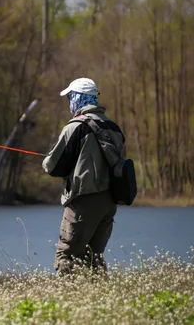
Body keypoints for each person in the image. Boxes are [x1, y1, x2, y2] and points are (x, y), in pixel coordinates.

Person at [42, 77, 125, 275]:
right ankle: (101, 300)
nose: (69, 102)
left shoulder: (75, 127)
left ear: (79, 98)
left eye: (71, 97)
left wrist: (47, 160)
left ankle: (68, 302)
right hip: (109, 203)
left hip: (83, 202)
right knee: (93, 257)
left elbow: (52, 167)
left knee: (67, 257)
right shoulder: (113, 128)